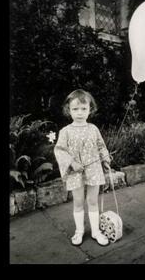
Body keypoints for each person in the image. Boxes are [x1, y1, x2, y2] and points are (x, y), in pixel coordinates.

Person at [54, 89, 111, 246]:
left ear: (90, 109)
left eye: (84, 109)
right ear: (68, 110)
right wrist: (72, 162)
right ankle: (79, 231)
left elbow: (101, 146)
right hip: (75, 172)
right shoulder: (65, 131)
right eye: (75, 109)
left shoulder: (93, 129)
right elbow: (59, 150)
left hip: (93, 169)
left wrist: (105, 157)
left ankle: (96, 231)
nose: (80, 113)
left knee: (92, 200)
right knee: (78, 201)